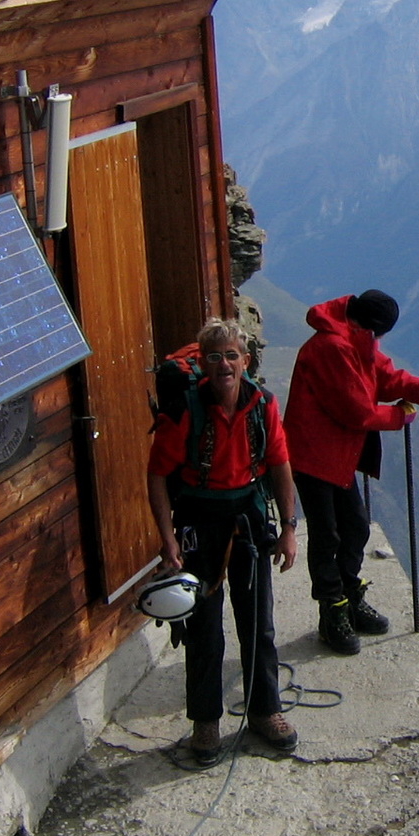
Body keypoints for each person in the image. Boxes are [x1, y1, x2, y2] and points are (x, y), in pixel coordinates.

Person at [147, 318, 302, 766]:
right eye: (213, 357)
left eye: (231, 355)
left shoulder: (263, 405)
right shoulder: (185, 411)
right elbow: (157, 475)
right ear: (202, 363)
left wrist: (289, 527)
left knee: (259, 622)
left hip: (250, 518)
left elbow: (280, 464)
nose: (223, 365)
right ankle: (206, 722)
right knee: (203, 628)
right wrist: (167, 539)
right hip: (200, 520)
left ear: (245, 361)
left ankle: (265, 709)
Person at [284, 290, 419, 655]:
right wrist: (399, 416)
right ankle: (333, 612)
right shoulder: (332, 348)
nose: (380, 341)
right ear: (372, 328)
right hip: (314, 456)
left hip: (336, 455)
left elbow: (384, 375)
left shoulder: (354, 340)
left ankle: (349, 596)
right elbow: (356, 410)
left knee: (355, 527)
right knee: (328, 536)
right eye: (381, 334)